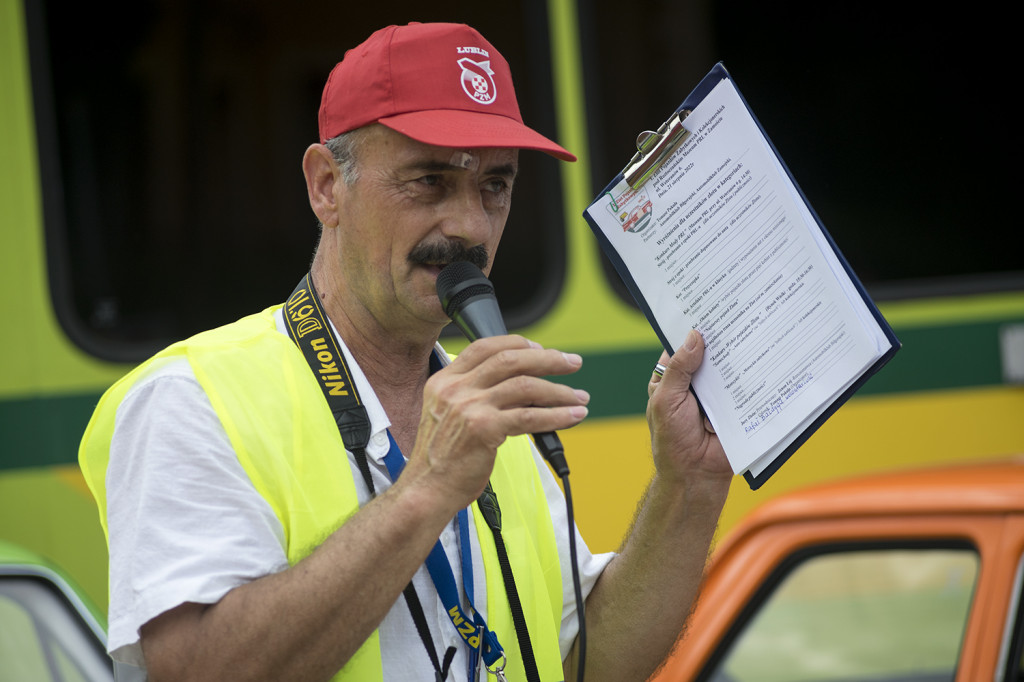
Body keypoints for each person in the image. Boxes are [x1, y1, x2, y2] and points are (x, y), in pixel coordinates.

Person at [79, 22, 732, 682]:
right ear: (326, 186)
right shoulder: (190, 399)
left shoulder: (483, 409)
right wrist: (426, 490)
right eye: (429, 181)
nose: (471, 226)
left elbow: (588, 660)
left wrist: (690, 487)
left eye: (495, 186)